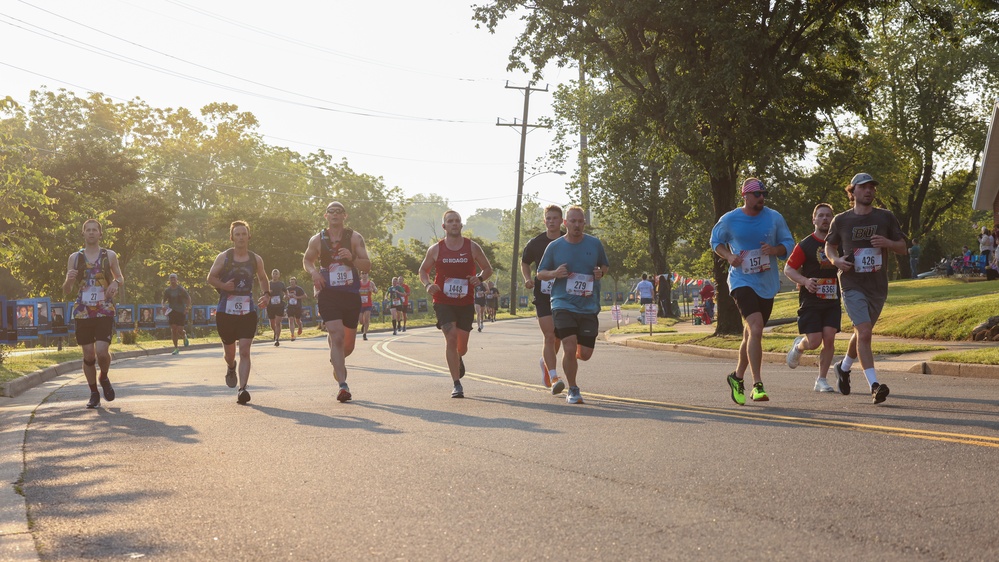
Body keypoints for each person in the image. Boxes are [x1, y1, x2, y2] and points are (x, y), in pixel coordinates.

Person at [710, 178, 795, 405]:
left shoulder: (774, 217)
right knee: (756, 327)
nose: (761, 198)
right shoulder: (730, 219)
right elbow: (715, 241)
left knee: (751, 334)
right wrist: (729, 256)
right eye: (757, 194)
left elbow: (789, 243)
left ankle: (737, 377)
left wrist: (775, 249)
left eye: (763, 194)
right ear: (745, 196)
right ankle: (757, 384)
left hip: (766, 283)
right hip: (741, 280)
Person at [825, 173, 907, 404]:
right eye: (863, 187)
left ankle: (843, 367)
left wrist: (888, 243)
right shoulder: (841, 220)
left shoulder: (885, 217)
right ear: (852, 192)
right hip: (852, 283)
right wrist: (836, 261)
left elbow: (903, 247)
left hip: (877, 286)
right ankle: (874, 385)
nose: (869, 191)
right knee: (865, 332)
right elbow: (830, 246)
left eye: (872, 187)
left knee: (862, 331)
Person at [537, 205, 610, 405]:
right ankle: (573, 389)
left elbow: (604, 265)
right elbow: (540, 273)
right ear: (565, 223)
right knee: (568, 347)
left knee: (584, 354)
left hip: (588, 305)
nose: (576, 225)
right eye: (573, 221)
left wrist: (600, 273)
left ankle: (569, 360)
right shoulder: (555, 247)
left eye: (580, 221)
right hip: (562, 303)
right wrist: (554, 273)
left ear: (584, 223)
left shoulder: (595, 244)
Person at [418, 210, 494, 398]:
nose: (454, 224)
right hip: (443, 300)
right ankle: (456, 383)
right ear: (444, 226)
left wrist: (479, 278)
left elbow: (487, 268)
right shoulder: (436, 249)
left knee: (462, 346)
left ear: (461, 225)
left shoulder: (472, 247)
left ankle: (458, 357)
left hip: (465, 301)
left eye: (457, 221)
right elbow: (423, 270)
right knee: (450, 336)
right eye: (450, 221)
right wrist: (428, 285)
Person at [303, 201, 371, 402]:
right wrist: (314, 272)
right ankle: (343, 385)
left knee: (347, 345)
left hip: (350, 295)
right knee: (337, 335)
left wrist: (351, 259)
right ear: (326, 216)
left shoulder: (355, 238)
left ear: (344, 216)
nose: (334, 215)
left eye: (338, 212)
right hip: (328, 293)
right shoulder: (317, 239)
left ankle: (337, 359)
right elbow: (307, 260)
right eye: (330, 212)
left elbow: (367, 265)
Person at [62, 219, 125, 409]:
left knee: (102, 352)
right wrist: (68, 280)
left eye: (94, 230)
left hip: (104, 309)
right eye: (87, 230)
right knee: (89, 355)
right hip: (82, 311)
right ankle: (93, 393)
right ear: (83, 234)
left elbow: (120, 277)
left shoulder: (109, 255)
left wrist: (115, 283)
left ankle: (103, 376)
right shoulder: (75, 258)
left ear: (100, 233)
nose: (91, 233)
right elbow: (66, 290)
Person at [207, 220, 270, 405]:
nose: (241, 237)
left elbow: (263, 278)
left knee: (245, 350)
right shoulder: (224, 257)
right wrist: (223, 285)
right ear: (232, 237)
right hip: (225, 311)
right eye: (237, 234)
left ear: (248, 236)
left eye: (244, 234)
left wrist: (266, 295)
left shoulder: (255, 259)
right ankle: (230, 366)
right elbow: (210, 277)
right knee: (229, 353)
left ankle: (243, 389)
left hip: (247, 310)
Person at [783, 203, 841, 393]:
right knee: (815, 341)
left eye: (829, 216)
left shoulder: (839, 242)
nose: (825, 219)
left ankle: (821, 379)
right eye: (821, 216)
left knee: (829, 338)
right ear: (814, 220)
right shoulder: (806, 245)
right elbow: (788, 269)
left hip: (832, 298)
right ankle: (799, 347)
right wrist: (805, 281)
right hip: (811, 300)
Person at [521, 204, 566, 393]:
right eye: (548, 218)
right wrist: (528, 279)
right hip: (543, 294)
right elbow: (525, 263)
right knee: (549, 335)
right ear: (544, 220)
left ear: (561, 221)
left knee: (558, 337)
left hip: (565, 294)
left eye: (555, 218)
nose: (551, 221)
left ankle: (546, 362)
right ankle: (554, 376)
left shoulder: (568, 240)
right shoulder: (536, 242)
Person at [163, 273, 192, 355]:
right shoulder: (167, 290)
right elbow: (163, 300)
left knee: (180, 330)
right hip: (172, 312)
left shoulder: (181, 289)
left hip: (181, 311)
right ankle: (176, 348)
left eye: (174, 278)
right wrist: (163, 305)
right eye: (171, 278)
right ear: (169, 280)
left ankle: (184, 335)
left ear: (176, 279)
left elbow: (188, 298)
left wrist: (187, 308)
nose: (172, 280)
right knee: (173, 330)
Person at [266, 269, 287, 346]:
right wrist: (268, 293)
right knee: (272, 323)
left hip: (279, 305)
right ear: (271, 275)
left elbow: (286, 291)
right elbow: (263, 293)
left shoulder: (281, 284)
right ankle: (275, 332)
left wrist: (286, 295)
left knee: (278, 322)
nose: (275, 275)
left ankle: (277, 339)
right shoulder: (268, 284)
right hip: (270, 306)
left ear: (279, 275)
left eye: (276, 274)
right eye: (273, 274)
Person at [285, 276, 307, 341]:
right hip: (290, 307)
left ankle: (300, 326)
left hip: (297, 307)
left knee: (297, 320)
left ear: (295, 283)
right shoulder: (287, 289)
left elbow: (305, 296)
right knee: (291, 320)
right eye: (291, 282)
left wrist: (296, 297)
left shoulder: (299, 289)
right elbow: (284, 296)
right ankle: (292, 335)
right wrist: (287, 296)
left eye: (293, 282)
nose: (292, 284)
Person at [358, 271, 377, 340]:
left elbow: (376, 290)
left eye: (365, 273)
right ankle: (363, 325)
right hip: (360, 304)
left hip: (368, 304)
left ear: (367, 275)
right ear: (360, 275)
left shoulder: (371, 283)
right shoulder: (358, 283)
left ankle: (365, 334)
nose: (364, 275)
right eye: (363, 273)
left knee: (367, 318)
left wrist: (372, 290)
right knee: (360, 320)